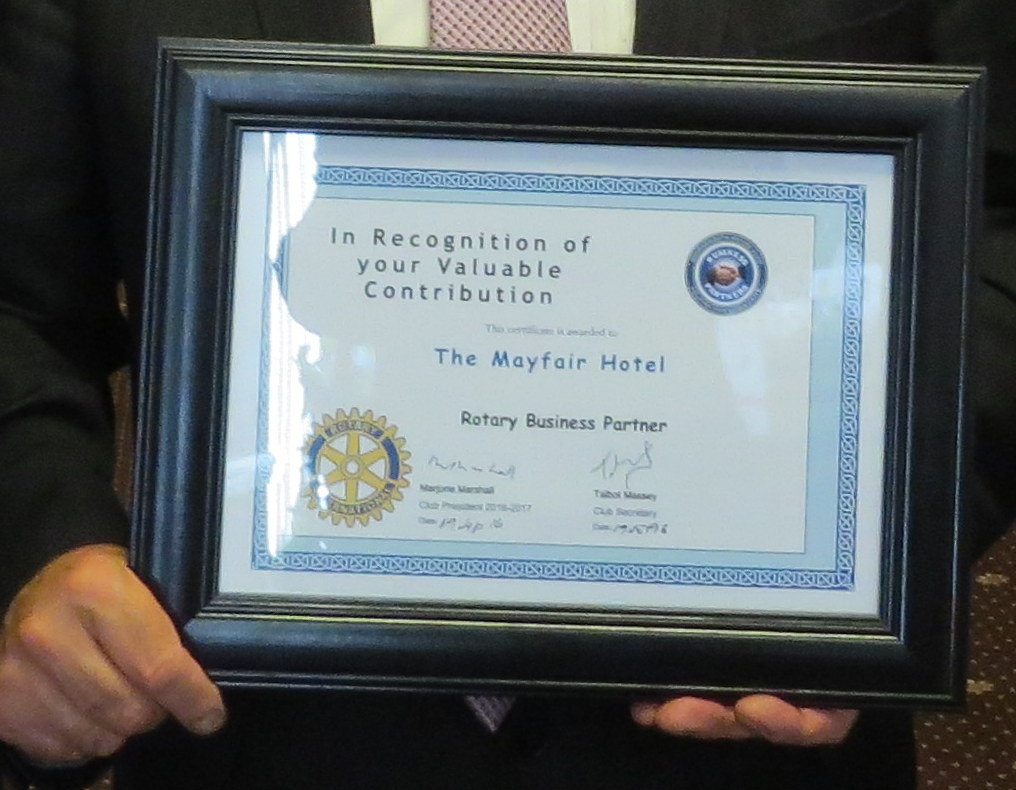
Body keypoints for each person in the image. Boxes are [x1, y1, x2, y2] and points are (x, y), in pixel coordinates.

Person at [0, 0, 1013, 788]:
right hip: (261, 730)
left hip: (750, 732)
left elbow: (998, 232)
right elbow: (20, 301)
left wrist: (883, 558)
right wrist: (40, 548)